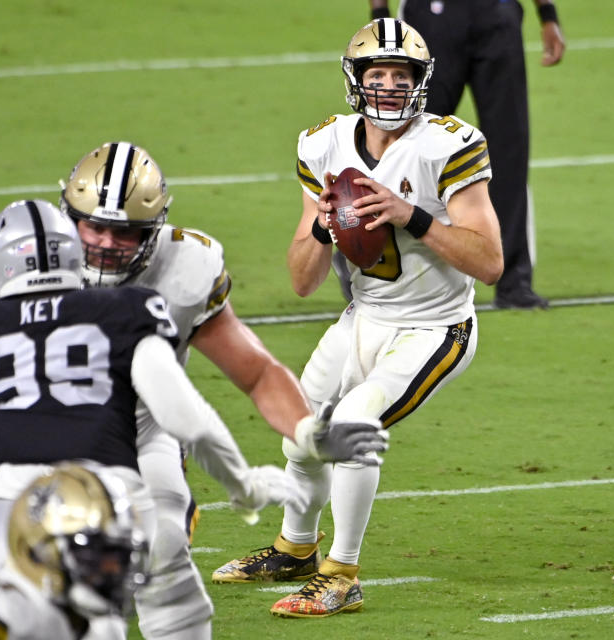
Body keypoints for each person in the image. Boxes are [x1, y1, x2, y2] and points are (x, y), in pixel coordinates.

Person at [0, 143, 389, 638]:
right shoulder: (23, 254)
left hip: (136, 437)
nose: (108, 243)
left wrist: (306, 429)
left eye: (126, 232)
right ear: (68, 219)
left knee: (164, 558)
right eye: (95, 226)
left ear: (154, 231)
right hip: (29, 434)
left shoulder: (185, 266)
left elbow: (256, 372)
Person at [0, 199, 310, 639]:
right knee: (162, 592)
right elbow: (190, 421)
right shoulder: (127, 311)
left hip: (6, 500)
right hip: (109, 500)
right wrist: (245, 486)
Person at [210, 17, 504, 618]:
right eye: (379, 74)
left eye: (402, 74)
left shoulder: (449, 145)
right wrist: (322, 227)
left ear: (421, 82)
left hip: (436, 325)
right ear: (357, 80)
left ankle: (341, 571)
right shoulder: (323, 144)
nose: (390, 86)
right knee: (303, 426)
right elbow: (301, 279)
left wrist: (410, 215)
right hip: (363, 315)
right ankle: (295, 547)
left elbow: (492, 263)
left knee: (354, 425)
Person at [360, 0, 564, 309]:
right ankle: (369, 258)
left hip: (497, 16)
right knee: (405, 142)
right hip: (430, 19)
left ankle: (514, 282)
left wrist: (547, 13)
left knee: (509, 151)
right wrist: (380, 17)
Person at [0, 464, 148, 640]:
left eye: (120, 558)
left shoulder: (106, 626)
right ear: (43, 552)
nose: (112, 571)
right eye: (94, 556)